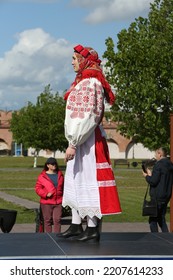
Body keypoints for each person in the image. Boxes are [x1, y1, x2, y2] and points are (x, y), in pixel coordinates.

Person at [60, 44, 122, 242]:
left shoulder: (91, 83)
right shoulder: (83, 82)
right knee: (76, 178)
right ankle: (77, 224)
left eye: (74, 58)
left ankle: (92, 227)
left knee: (89, 180)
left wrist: (74, 142)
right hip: (81, 141)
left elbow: (87, 116)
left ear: (84, 60)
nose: (71, 62)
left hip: (88, 141)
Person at [142, 147, 173, 232]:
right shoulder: (170, 164)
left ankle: (155, 239)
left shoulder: (158, 165)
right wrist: (152, 175)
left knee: (153, 220)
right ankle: (167, 237)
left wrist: (147, 176)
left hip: (157, 196)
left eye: (156, 154)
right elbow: (161, 178)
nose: (155, 156)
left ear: (160, 154)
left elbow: (153, 181)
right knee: (161, 218)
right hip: (166, 195)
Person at [35, 157, 64, 233]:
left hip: (58, 202)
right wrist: (45, 194)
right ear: (48, 165)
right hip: (46, 202)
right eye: (52, 164)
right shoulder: (42, 176)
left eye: (55, 164)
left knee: (57, 220)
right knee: (47, 221)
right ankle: (49, 237)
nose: (54, 165)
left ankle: (57, 237)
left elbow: (63, 187)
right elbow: (38, 188)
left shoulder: (60, 175)